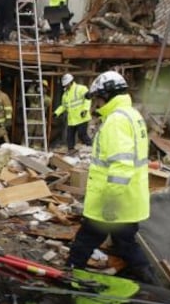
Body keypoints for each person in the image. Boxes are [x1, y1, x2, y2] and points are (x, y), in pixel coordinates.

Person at [66, 70, 156, 284]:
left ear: (107, 95)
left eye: (98, 98)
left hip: (112, 204)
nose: (96, 103)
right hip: (129, 201)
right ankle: (153, 288)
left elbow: (121, 166)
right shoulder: (132, 115)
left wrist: (110, 202)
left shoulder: (116, 121)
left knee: (84, 242)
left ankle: (68, 277)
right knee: (126, 244)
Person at [54, 73, 91, 151]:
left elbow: (88, 99)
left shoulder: (81, 88)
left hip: (82, 118)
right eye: (65, 85)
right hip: (72, 119)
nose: (65, 86)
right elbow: (64, 106)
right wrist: (56, 113)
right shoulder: (65, 95)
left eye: (67, 84)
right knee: (69, 136)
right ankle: (71, 150)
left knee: (82, 135)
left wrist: (85, 109)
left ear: (71, 82)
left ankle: (91, 147)